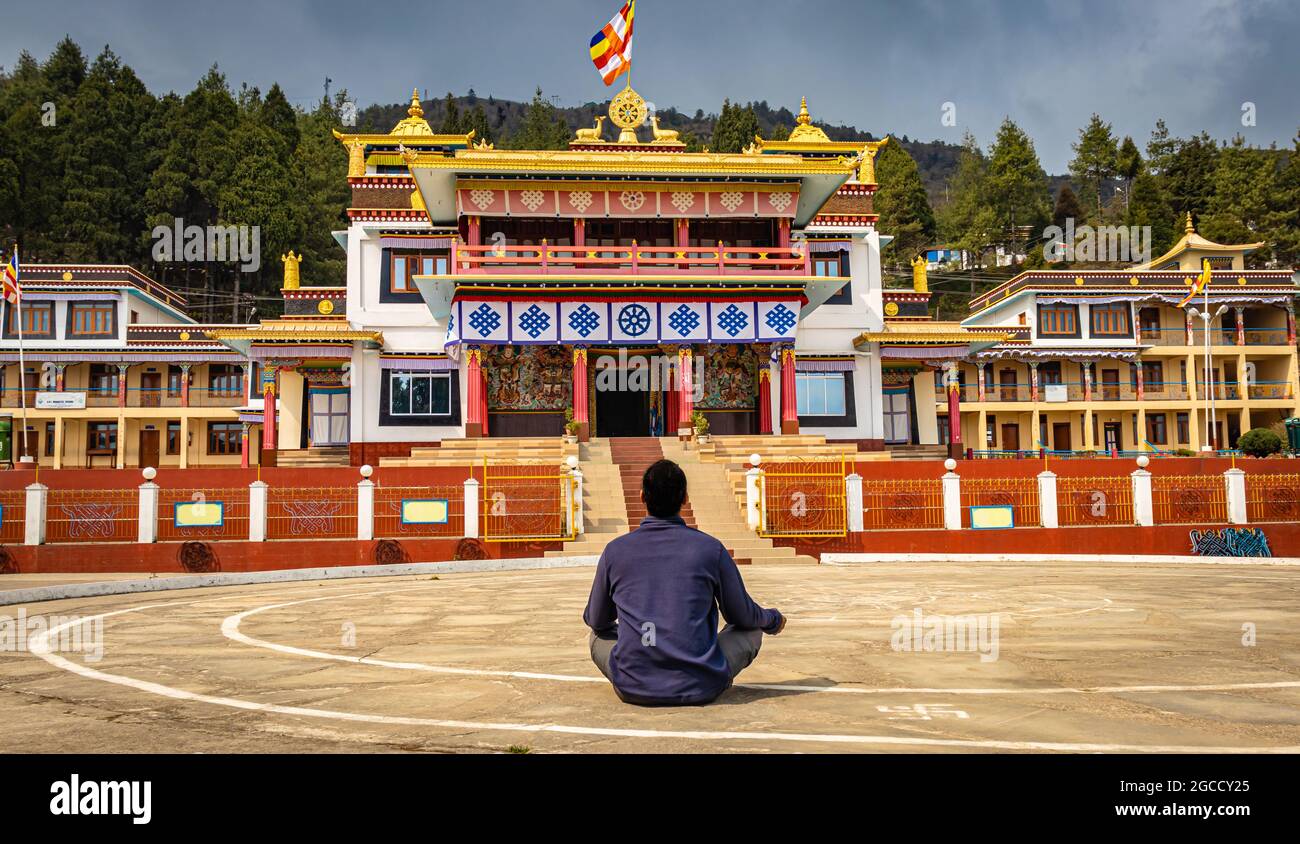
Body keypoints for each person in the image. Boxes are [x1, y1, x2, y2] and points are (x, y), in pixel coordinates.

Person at [583, 458, 786, 706]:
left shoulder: (615, 551)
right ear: (684, 498)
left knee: (597, 636)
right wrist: (773, 619)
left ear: (642, 497)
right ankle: (706, 671)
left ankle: (639, 667)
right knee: (752, 628)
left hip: (633, 685)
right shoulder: (710, 549)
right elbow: (741, 616)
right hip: (700, 685)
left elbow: (596, 619)